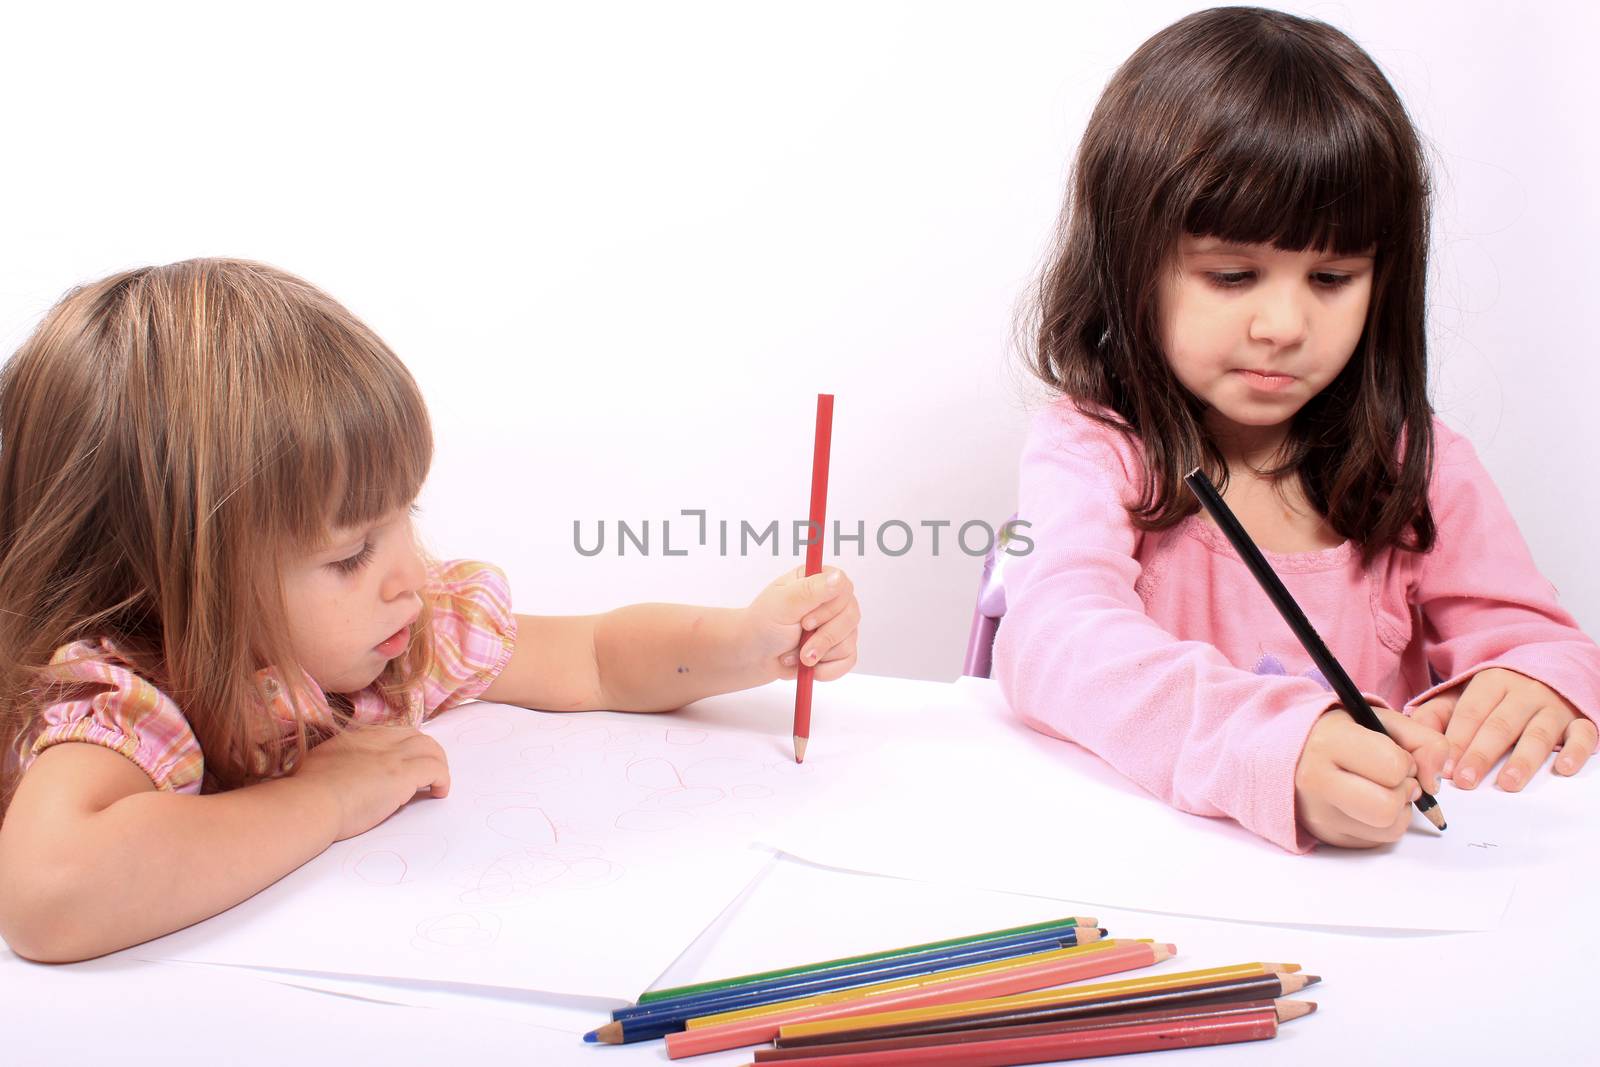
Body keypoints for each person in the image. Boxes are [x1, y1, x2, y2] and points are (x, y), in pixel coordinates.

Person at [0, 258, 860, 960]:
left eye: (403, 517)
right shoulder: (125, 691)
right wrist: (322, 801)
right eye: (348, 554)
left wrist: (748, 643)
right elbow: (50, 895)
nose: (409, 575)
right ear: (173, 581)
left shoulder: (393, 633)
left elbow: (595, 657)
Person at [995, 6, 1600, 852]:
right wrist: (1276, 744)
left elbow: (1540, 639)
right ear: (1128, 262)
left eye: (1331, 276)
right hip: (1151, 880)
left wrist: (1532, 681)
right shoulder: (1097, 449)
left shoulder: (1415, 460)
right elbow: (1053, 638)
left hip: (1377, 903)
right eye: (1233, 274)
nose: (1283, 323)